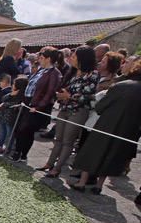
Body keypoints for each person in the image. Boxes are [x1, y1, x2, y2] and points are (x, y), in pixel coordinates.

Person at [71, 57, 141, 194]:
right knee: (112, 155)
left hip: (106, 125)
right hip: (129, 128)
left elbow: (100, 107)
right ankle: (99, 186)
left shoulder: (122, 85)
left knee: (93, 151)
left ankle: (82, 182)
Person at [37, 46, 98, 177]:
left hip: (78, 111)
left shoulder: (93, 74)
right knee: (58, 138)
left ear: (83, 58)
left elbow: (89, 96)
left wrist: (69, 96)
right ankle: (49, 163)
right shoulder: (72, 72)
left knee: (67, 141)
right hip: (65, 108)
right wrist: (60, 95)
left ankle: (57, 168)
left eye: (74, 56)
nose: (71, 58)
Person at [10, 47, 62, 162]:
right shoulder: (40, 70)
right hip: (27, 101)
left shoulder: (54, 73)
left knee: (26, 130)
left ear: (48, 59)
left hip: (36, 106)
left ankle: (21, 153)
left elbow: (50, 92)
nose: (40, 60)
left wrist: (38, 107)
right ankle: (19, 152)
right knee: (21, 129)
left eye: (42, 58)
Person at [0, 76, 28, 154]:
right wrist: (10, 95)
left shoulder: (22, 96)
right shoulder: (12, 93)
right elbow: (3, 99)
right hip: (3, 115)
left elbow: (15, 104)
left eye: (14, 84)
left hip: (11, 117)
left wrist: (4, 104)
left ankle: (8, 148)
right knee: (3, 131)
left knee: (9, 133)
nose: (12, 85)